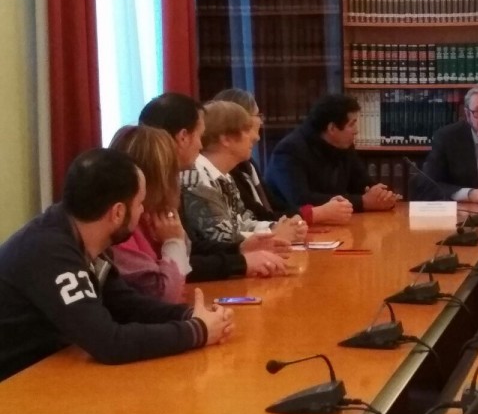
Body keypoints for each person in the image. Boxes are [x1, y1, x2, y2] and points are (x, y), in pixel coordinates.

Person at [0, 149, 234, 382]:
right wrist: (198, 331)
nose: (143, 211)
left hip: (50, 373)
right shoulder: (49, 250)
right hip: (14, 386)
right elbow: (108, 342)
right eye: (140, 203)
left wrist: (189, 314)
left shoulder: (82, 236)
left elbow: (125, 304)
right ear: (118, 213)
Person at [139, 92, 288, 280]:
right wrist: (241, 262)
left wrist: (239, 248)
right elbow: (175, 266)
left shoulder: (168, 182)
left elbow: (192, 247)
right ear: (183, 137)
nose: (201, 146)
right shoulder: (172, 183)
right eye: (199, 136)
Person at [211, 88, 353, 226]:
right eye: (258, 115)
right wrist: (315, 214)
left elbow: (275, 207)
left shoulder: (248, 164)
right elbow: (259, 218)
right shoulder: (225, 171)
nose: (261, 122)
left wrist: (318, 211)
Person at [181, 100, 306, 246]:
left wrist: (278, 227)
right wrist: (274, 234)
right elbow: (220, 237)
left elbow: (243, 222)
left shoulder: (225, 176)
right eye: (246, 131)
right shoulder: (197, 177)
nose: (254, 137)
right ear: (226, 139)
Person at [266, 93, 399, 212]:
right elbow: (301, 199)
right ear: (332, 128)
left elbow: (362, 184)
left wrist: (383, 195)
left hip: (334, 222)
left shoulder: (344, 145)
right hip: (293, 225)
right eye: (351, 124)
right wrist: (363, 202)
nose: (356, 130)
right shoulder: (289, 151)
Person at [109, 125, 192, 302]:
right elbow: (167, 296)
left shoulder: (149, 215)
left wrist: (177, 237)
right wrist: (173, 242)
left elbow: (183, 274)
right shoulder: (119, 228)